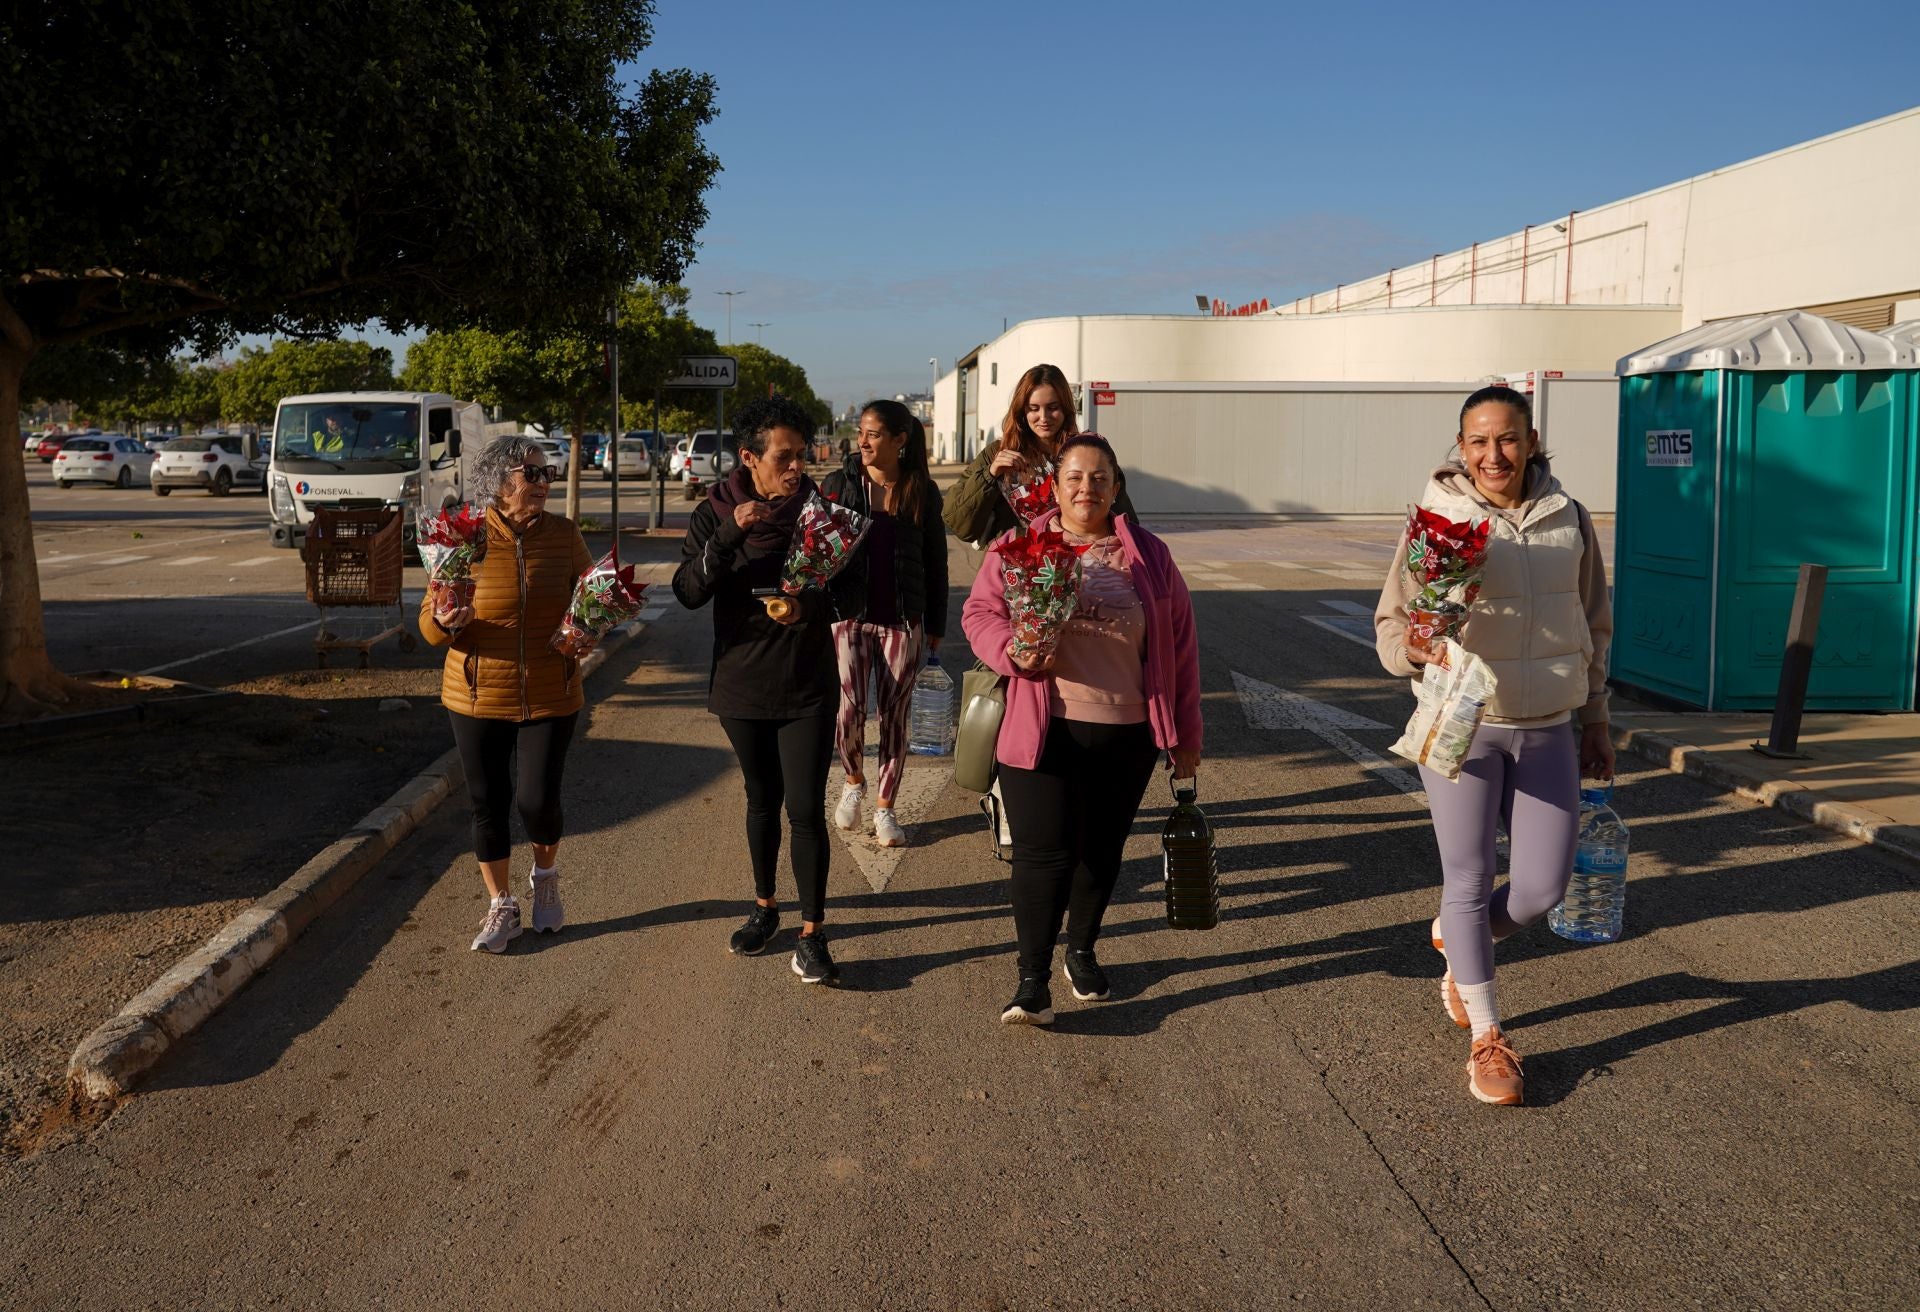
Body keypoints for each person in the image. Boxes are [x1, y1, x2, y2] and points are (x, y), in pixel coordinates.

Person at [1374, 383, 1615, 1106]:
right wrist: (1416, 649)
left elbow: (1594, 620)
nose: (1493, 454)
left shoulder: (1567, 517)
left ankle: (1459, 941)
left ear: (1532, 440)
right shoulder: (1436, 519)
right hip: (1463, 727)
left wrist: (1596, 717)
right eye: (1477, 441)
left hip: (1547, 726)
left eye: (1507, 438)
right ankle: (1487, 1035)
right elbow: (1392, 623)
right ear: (1461, 448)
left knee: (1542, 887)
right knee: (1470, 879)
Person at [961, 434, 1202, 1025]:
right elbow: (979, 613)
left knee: (1101, 852)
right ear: (1056, 484)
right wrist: (1013, 652)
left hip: (1127, 733)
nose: (1085, 488)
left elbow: (1182, 650)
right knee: (1043, 856)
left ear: (1116, 488)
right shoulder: (1020, 544)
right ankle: (1031, 979)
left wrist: (1186, 741)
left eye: (1099, 478)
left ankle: (1083, 950)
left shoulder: (1150, 554)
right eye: (1074, 477)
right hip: (1044, 727)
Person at [674, 395, 867, 985]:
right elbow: (687, 590)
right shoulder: (716, 514)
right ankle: (764, 909)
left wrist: (806, 604)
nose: (795, 469)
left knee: (805, 808)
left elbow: (851, 595)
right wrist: (732, 532)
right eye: (783, 457)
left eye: (802, 457)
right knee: (761, 801)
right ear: (749, 458)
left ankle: (813, 934)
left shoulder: (821, 513)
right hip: (742, 683)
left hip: (805, 681)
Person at [420, 435, 594, 953]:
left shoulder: (564, 534)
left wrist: (587, 628)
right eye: (531, 474)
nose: (542, 484)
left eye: (547, 474)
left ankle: (545, 881)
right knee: (487, 802)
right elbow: (429, 627)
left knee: (538, 800)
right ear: (498, 481)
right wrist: (447, 623)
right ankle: (501, 904)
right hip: (476, 692)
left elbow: (591, 596)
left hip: (550, 688)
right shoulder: (462, 537)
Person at [819, 401, 949, 848]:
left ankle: (886, 808)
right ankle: (853, 781)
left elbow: (936, 562)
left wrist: (936, 621)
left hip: (902, 620)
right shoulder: (839, 485)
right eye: (861, 432)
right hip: (849, 618)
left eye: (874, 434)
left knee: (894, 716)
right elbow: (817, 547)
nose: (864, 441)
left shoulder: (922, 491)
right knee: (850, 709)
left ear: (900, 440)